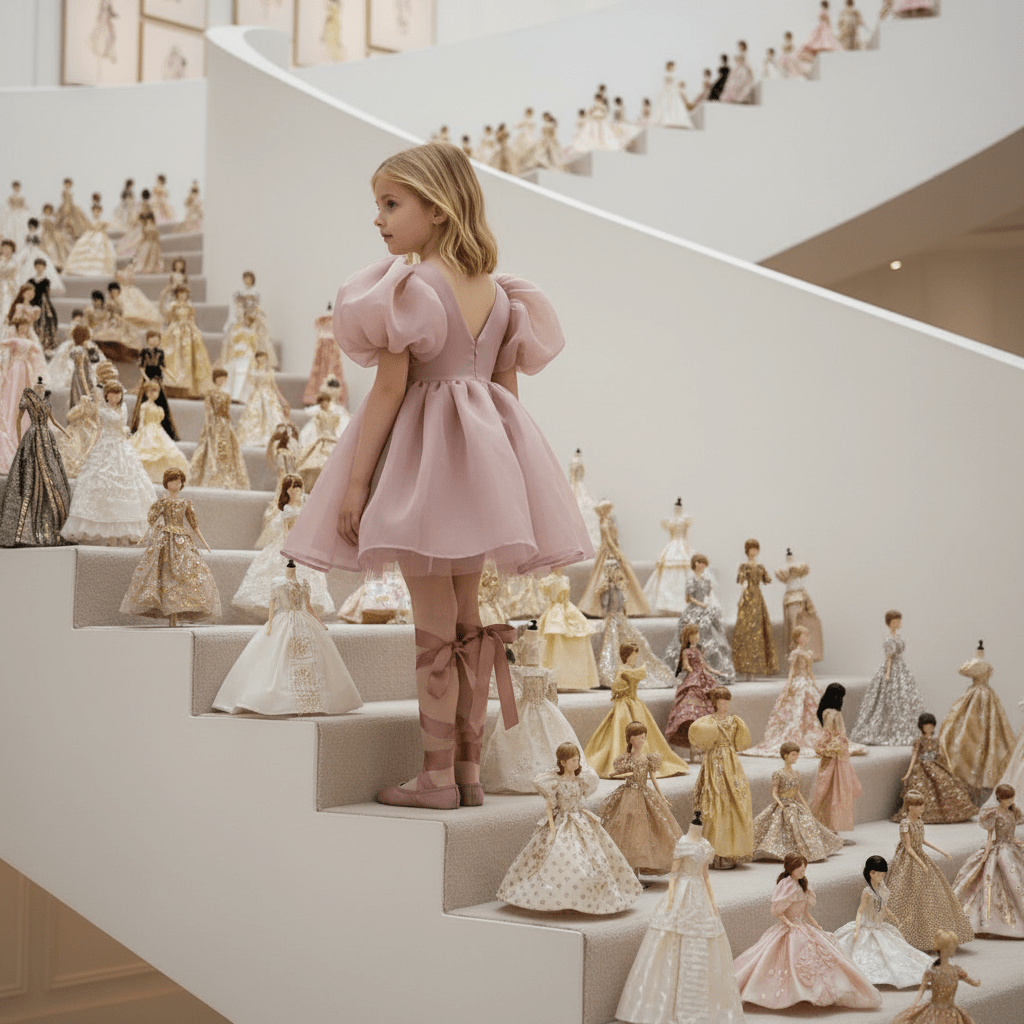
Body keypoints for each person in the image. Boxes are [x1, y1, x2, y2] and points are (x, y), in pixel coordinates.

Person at [282, 142, 592, 809]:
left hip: (425, 466)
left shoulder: (412, 287)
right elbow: (508, 399)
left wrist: (359, 484)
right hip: (483, 470)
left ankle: (434, 776)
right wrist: (511, 481)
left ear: (439, 208)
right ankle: (469, 772)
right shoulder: (503, 295)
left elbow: (390, 390)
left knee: (433, 624)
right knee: (468, 620)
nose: (379, 220)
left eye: (392, 205)